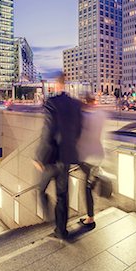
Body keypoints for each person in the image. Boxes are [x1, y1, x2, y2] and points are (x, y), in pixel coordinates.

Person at [34, 72, 82, 239]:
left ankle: (47, 216)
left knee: (40, 189)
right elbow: (78, 131)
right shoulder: (75, 104)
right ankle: (61, 230)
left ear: (56, 84)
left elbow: (47, 132)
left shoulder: (51, 103)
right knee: (63, 195)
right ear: (66, 83)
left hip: (51, 158)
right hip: (66, 157)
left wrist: (40, 157)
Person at [77, 94, 106, 230]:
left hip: (88, 158)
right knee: (90, 185)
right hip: (99, 155)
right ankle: (97, 177)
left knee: (87, 189)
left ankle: (90, 218)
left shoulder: (84, 118)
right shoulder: (100, 115)